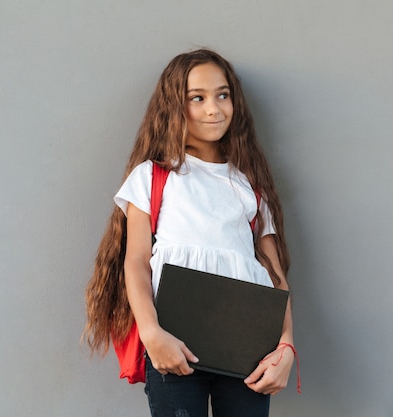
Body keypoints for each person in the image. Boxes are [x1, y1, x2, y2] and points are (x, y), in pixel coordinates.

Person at [84, 49, 296, 417]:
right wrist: (151, 334)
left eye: (222, 95)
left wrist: (287, 347)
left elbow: (275, 278)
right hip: (173, 343)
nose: (214, 109)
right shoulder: (153, 176)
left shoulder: (250, 185)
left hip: (248, 348)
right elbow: (135, 263)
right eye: (197, 98)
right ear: (174, 106)